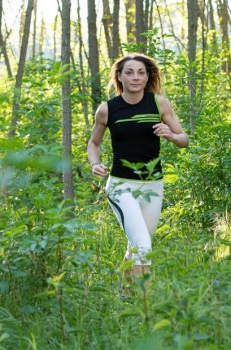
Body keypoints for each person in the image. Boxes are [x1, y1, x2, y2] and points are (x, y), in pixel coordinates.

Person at [87, 53, 189, 296]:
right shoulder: (107, 109)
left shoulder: (158, 104)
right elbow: (93, 143)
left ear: (147, 76)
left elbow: (184, 140)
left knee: (137, 244)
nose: (135, 77)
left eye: (141, 72)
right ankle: (143, 303)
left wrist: (171, 135)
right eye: (129, 72)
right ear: (119, 77)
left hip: (153, 186)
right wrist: (94, 164)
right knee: (144, 245)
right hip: (121, 186)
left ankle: (126, 296)